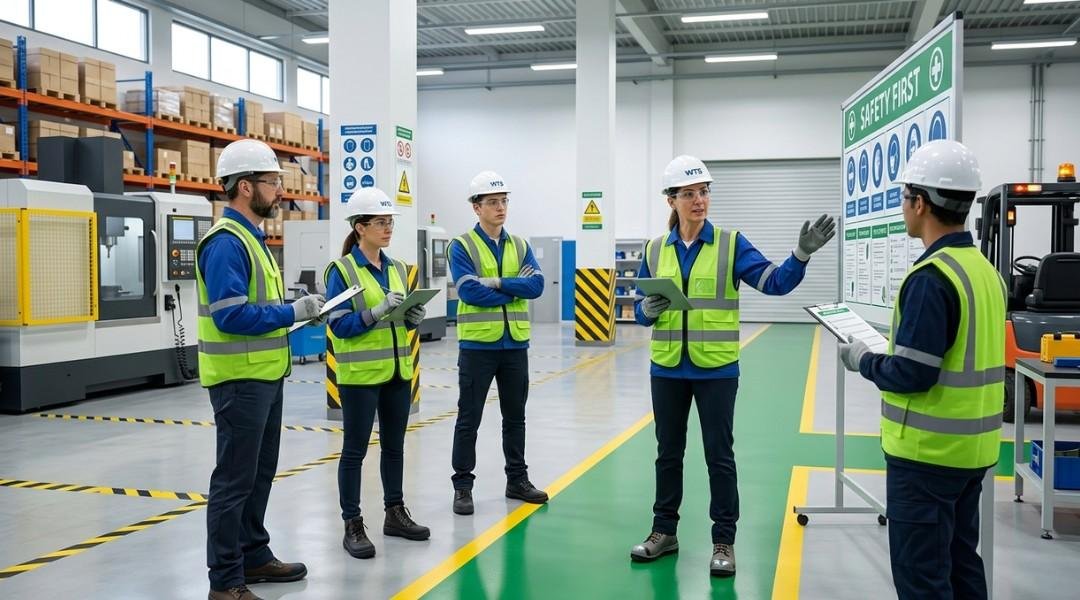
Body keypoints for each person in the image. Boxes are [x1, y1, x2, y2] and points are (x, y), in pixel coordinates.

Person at [629, 155, 835, 577]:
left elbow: (775, 282)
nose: (699, 200)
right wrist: (645, 310)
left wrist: (801, 254)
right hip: (667, 368)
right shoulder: (654, 249)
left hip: (716, 371)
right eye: (689, 194)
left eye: (704, 192)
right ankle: (663, 531)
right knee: (667, 454)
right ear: (671, 200)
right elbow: (639, 310)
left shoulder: (730, 244)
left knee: (719, 456)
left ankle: (724, 539)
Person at [838, 140, 1005, 600]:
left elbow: (913, 374)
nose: (903, 205)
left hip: (927, 457)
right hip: (972, 453)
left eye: (905, 196)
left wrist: (863, 359)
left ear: (920, 203)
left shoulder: (932, 278)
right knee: (962, 564)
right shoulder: (985, 272)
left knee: (923, 579)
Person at [198, 139, 322, 600]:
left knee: (258, 474)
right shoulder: (226, 243)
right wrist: (292, 312)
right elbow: (230, 315)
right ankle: (225, 581)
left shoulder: (253, 239)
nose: (280, 191)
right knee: (233, 481)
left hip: (265, 375)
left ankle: (252, 554)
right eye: (272, 182)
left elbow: (256, 307)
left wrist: (298, 312)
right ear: (246, 186)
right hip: (239, 380)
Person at [324, 187, 431, 559]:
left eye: (390, 223)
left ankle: (394, 513)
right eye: (381, 223)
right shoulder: (342, 271)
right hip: (360, 376)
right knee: (354, 451)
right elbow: (339, 325)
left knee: (394, 447)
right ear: (360, 227)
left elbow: (399, 322)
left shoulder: (398, 268)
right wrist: (376, 312)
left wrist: (412, 318)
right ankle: (352, 524)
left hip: (398, 372)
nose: (388, 229)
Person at [448, 170, 548, 515]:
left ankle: (517, 480)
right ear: (476, 207)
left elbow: (536, 286)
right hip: (477, 347)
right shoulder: (462, 246)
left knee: (515, 417)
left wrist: (495, 282)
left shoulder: (520, 245)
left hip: (515, 345)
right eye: (492, 202)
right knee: (469, 419)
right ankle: (463, 486)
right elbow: (469, 291)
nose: (500, 207)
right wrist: (513, 288)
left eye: (504, 201)